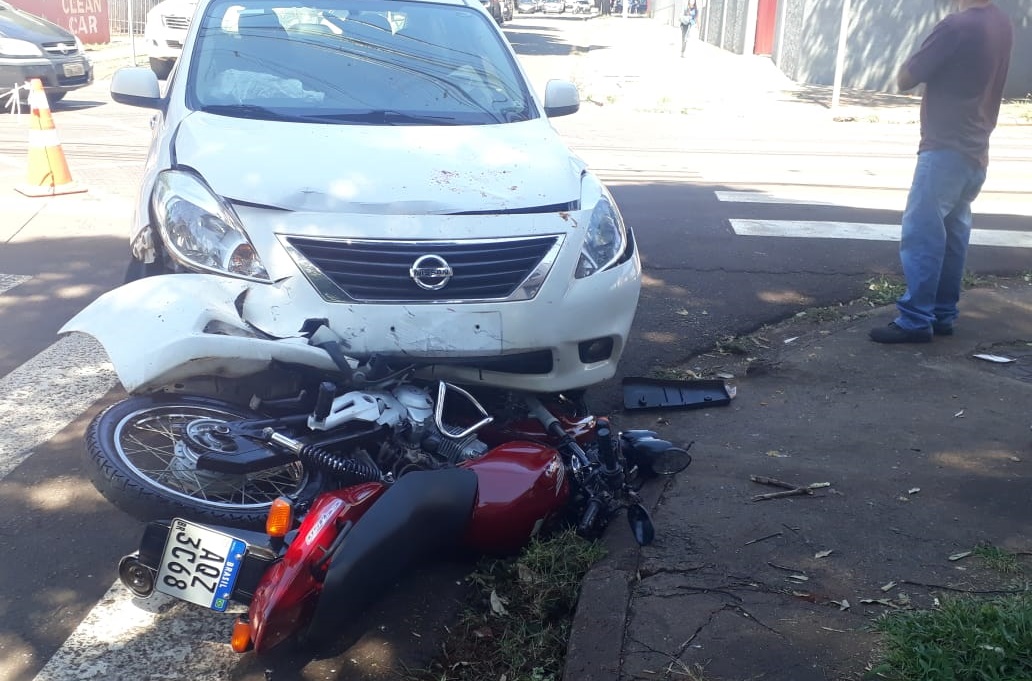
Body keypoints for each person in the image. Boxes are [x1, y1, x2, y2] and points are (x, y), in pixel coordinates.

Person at [869, 0, 1013, 344]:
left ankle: (916, 319)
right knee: (953, 235)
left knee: (923, 235)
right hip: (975, 148)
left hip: (944, 147)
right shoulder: (1001, 23)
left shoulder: (955, 26)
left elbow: (906, 78)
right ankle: (943, 313)